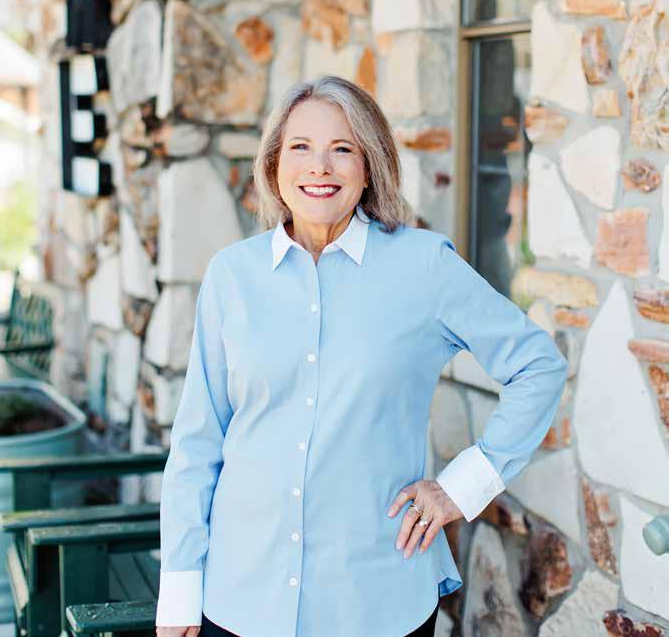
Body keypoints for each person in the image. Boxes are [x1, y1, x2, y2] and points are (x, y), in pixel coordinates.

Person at [155, 74, 568, 637]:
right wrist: (180, 589)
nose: (319, 167)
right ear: (275, 164)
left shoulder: (424, 266)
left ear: (370, 166)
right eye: (301, 147)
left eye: (342, 150)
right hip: (240, 597)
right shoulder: (232, 275)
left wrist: (460, 488)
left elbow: (538, 365)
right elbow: (198, 442)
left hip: (376, 602)